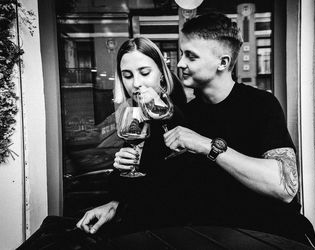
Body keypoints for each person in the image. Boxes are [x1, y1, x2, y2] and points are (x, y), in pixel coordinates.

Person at [163, 12, 315, 247]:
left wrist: (207, 146)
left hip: (273, 236)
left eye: (191, 56)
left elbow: (285, 186)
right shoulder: (187, 115)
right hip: (212, 238)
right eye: (182, 54)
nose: (180, 63)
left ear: (223, 63)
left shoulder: (260, 104)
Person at [17, 36, 187, 249]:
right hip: (132, 215)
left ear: (162, 72)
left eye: (145, 73)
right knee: (50, 227)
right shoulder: (134, 113)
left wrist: (153, 103)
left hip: (160, 228)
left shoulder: (172, 113)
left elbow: (171, 184)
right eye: (127, 75)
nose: (136, 83)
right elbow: (125, 183)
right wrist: (119, 175)